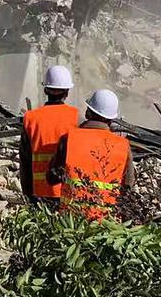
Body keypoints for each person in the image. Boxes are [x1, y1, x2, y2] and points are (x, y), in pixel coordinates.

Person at [46, 89, 134, 221]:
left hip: (70, 222)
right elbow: (128, 188)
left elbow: (52, 178)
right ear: (111, 119)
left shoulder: (69, 139)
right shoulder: (123, 146)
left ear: (88, 113)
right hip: (106, 225)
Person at [19, 65, 79, 204]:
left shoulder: (31, 118)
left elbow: (25, 161)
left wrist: (28, 194)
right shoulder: (76, 117)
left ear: (45, 89)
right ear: (67, 92)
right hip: (68, 190)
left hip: (39, 191)